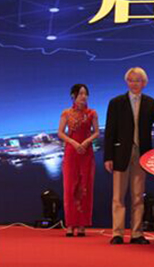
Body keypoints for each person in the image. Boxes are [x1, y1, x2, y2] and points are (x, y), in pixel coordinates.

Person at [104, 67, 154, 245]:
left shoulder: (149, 102)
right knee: (118, 196)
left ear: (144, 83)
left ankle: (137, 234)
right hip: (120, 154)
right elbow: (110, 131)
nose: (134, 84)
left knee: (138, 196)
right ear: (126, 82)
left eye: (138, 80)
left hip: (142, 155)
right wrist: (108, 157)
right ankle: (117, 233)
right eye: (131, 80)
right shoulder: (116, 102)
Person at [58, 84, 99, 237]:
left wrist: (86, 142)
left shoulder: (92, 113)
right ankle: (70, 224)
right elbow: (60, 132)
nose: (84, 96)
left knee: (85, 186)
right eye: (81, 93)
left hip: (86, 152)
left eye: (85, 94)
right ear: (73, 96)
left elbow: (96, 132)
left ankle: (82, 224)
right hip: (71, 152)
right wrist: (74, 143)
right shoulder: (66, 113)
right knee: (70, 187)